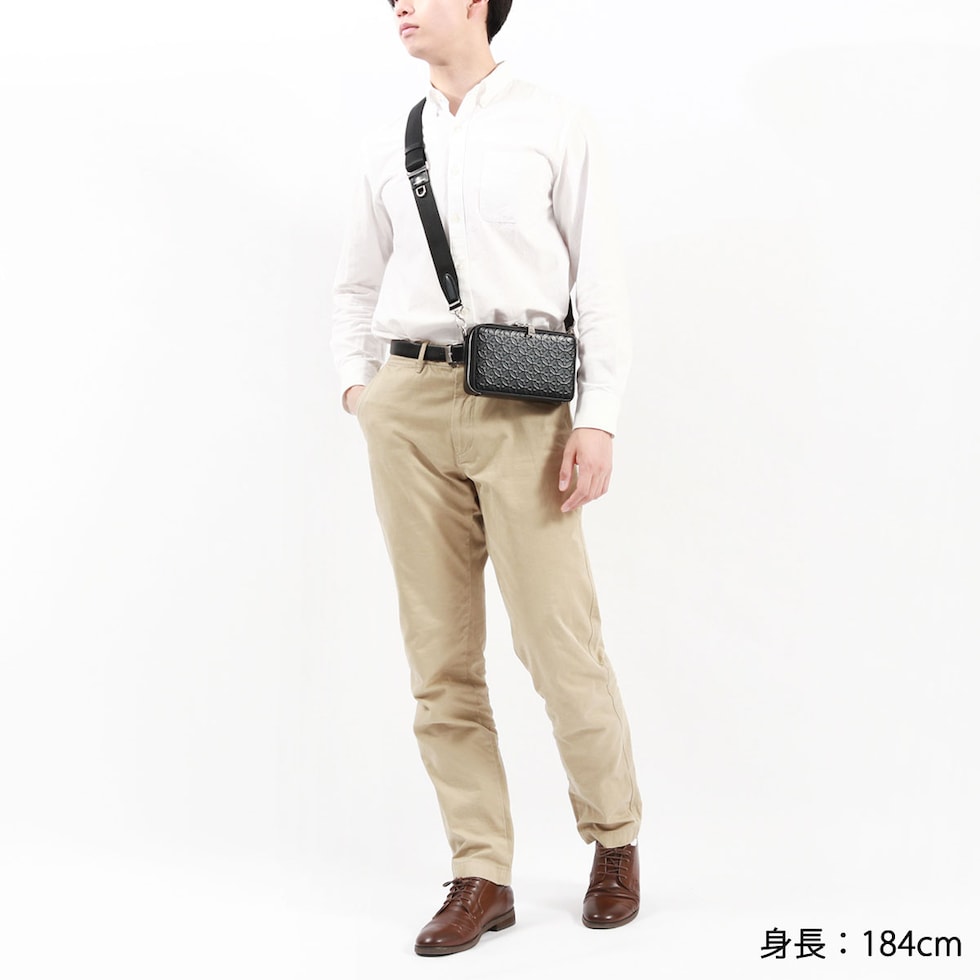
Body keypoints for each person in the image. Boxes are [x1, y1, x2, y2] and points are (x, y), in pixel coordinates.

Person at [331, 0, 643, 957]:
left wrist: (597, 417)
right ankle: (481, 870)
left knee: (559, 643)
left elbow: (599, 281)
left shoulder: (554, 123)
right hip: (408, 406)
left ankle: (615, 838)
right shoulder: (391, 143)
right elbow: (355, 283)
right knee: (439, 657)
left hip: (523, 403)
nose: (399, 6)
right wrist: (360, 390)